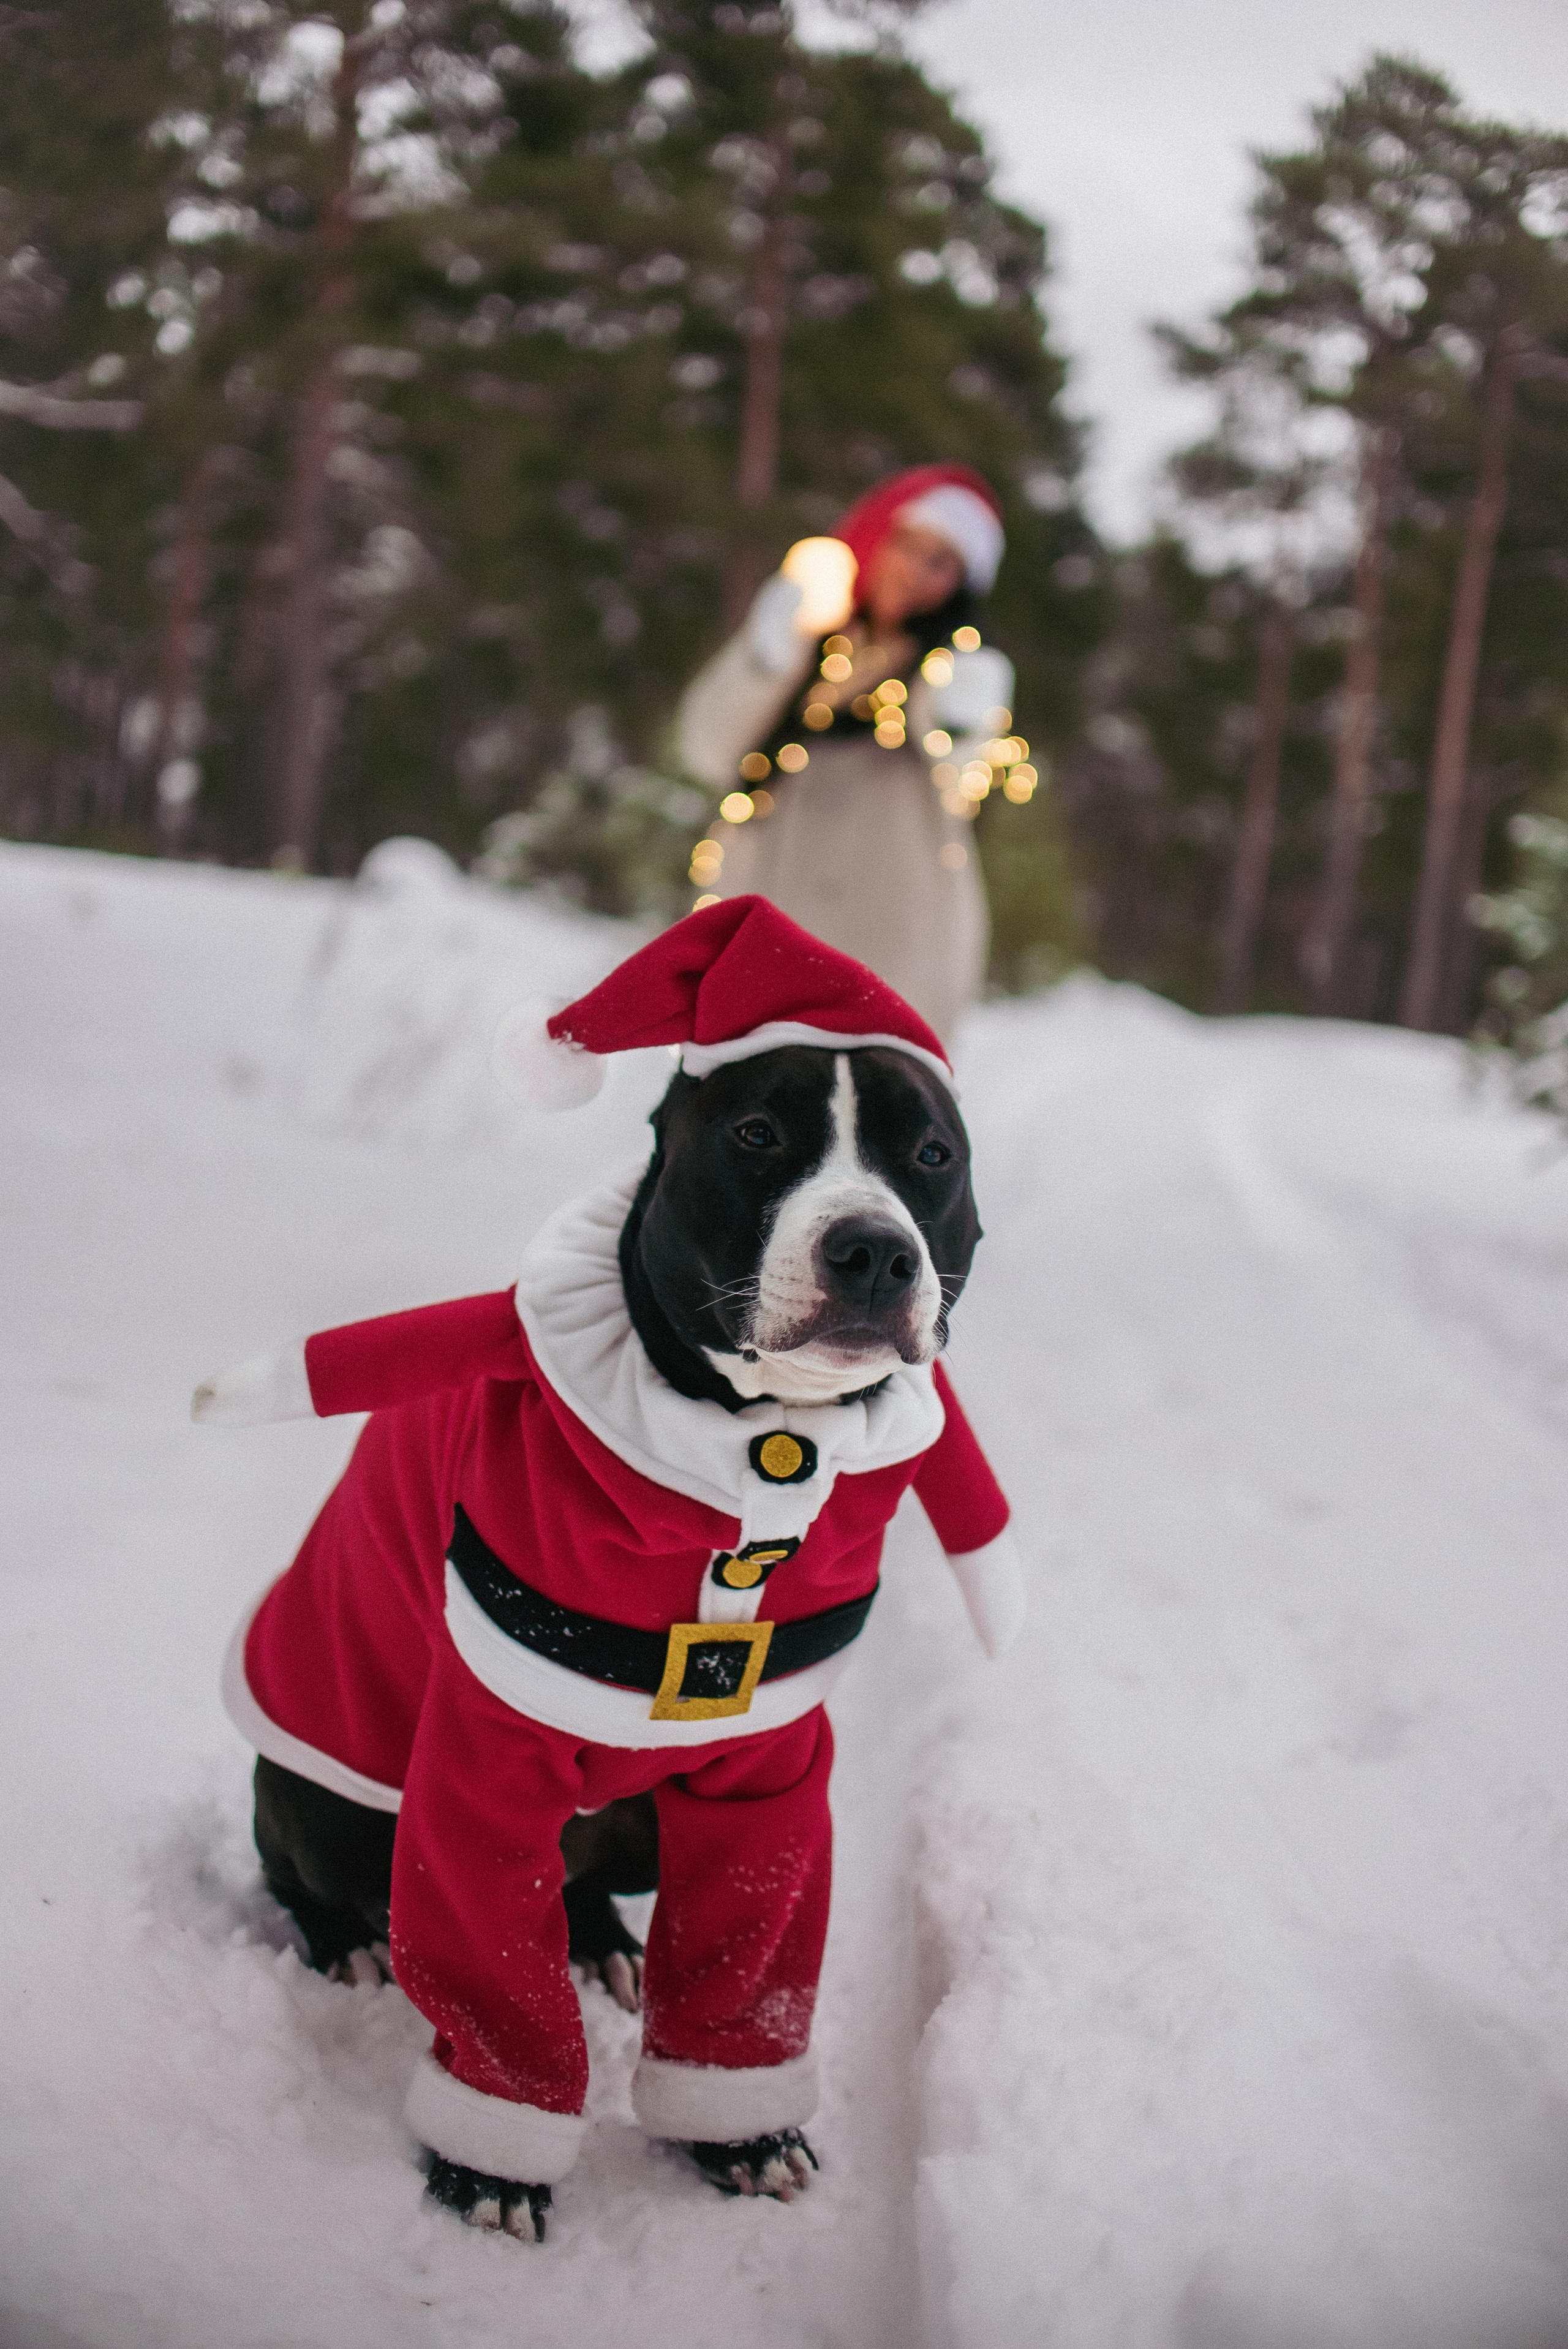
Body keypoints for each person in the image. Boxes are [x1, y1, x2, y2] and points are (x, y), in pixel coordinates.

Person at [676, 462, 1017, 1047]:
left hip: (887, 967)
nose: (917, 572)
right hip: (752, 949)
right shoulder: (807, 642)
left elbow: (969, 773)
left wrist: (968, 723)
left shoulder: (947, 671)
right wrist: (765, 660)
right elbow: (705, 751)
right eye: (911, 547)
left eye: (943, 563)